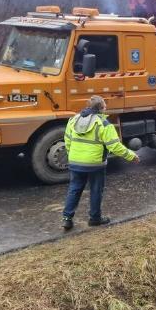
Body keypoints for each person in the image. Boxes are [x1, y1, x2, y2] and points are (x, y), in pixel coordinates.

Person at [62, 95, 139, 230]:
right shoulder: (104, 124)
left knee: (74, 189)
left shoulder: (73, 120)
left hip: (75, 162)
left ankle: (67, 219)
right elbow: (115, 146)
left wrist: (72, 155)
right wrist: (131, 156)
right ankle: (95, 218)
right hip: (95, 164)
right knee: (96, 190)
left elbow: (67, 140)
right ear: (102, 108)